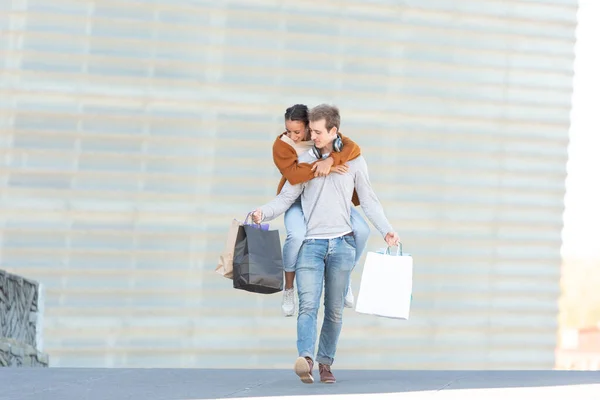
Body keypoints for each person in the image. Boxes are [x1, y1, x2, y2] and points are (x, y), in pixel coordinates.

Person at [252, 104, 399, 384]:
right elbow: (285, 198)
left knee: (333, 310)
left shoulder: (354, 161)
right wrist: (262, 211)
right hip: (311, 245)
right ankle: (305, 358)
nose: (313, 136)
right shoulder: (305, 161)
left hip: (342, 244)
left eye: (319, 132)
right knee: (308, 306)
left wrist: (387, 229)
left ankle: (325, 363)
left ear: (334, 131)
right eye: (313, 131)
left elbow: (368, 200)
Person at [273, 104, 370, 317]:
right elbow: (294, 174)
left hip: (327, 200)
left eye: (297, 131)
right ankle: (289, 287)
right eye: (288, 130)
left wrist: (332, 159)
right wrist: (328, 167)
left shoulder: (321, 136)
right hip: (297, 200)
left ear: (309, 127)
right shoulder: (282, 145)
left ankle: (346, 278)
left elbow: (352, 147)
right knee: (296, 235)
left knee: (362, 231)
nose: (292, 135)